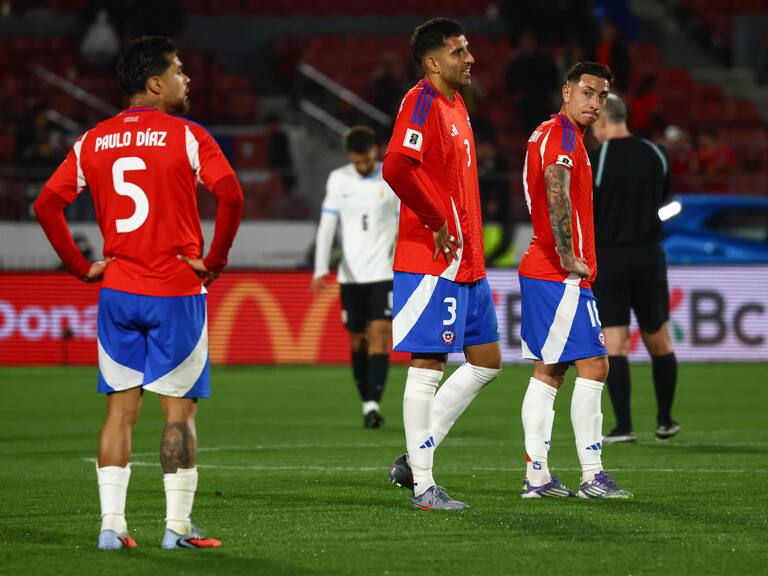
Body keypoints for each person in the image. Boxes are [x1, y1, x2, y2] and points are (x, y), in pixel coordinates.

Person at [33, 36, 244, 550]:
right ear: (155, 83)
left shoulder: (92, 141)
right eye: (178, 70)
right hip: (175, 291)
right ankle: (176, 529)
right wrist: (214, 263)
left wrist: (83, 267)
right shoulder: (188, 135)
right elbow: (231, 194)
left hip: (118, 294)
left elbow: (45, 205)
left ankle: (111, 526)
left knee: (119, 411)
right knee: (178, 413)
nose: (186, 78)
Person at [382, 18, 502, 510]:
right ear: (433, 62)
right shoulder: (422, 103)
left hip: (466, 261)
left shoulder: (456, 105)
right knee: (428, 365)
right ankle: (425, 488)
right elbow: (396, 165)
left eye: (468, 49)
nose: (469, 58)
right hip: (432, 262)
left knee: (487, 362)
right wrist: (434, 218)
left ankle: (415, 457)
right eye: (458, 51)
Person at [517, 61, 631, 499]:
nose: (595, 102)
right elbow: (555, 184)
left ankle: (538, 476)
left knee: (549, 372)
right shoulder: (563, 136)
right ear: (566, 92)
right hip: (556, 272)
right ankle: (592, 475)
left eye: (602, 96)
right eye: (587, 92)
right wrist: (567, 254)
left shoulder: (550, 133)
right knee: (596, 365)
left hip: (545, 269)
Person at [589, 93, 680, 443]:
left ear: (602, 121)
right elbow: (664, 200)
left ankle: (624, 426)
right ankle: (665, 421)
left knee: (616, 341)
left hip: (610, 257)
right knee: (659, 338)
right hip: (649, 255)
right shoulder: (657, 154)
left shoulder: (597, 160)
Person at [312, 126, 399, 428]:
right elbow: (326, 224)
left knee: (379, 335)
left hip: (383, 272)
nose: (364, 166)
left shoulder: (391, 177)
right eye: (359, 162)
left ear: (375, 151)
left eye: (368, 160)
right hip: (350, 276)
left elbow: (407, 220)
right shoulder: (339, 179)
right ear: (350, 157)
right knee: (357, 340)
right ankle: (367, 402)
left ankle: (373, 405)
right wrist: (321, 267)